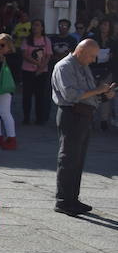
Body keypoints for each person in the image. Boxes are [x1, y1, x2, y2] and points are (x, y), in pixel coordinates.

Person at [51, 39, 114, 216]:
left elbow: (89, 93)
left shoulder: (82, 65)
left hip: (84, 114)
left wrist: (105, 94)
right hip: (71, 114)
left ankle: (73, 199)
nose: (93, 60)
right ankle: (63, 200)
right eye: (92, 56)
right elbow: (71, 95)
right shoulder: (65, 67)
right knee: (68, 157)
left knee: (78, 159)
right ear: (81, 52)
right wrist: (97, 91)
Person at [19, 20, 53, 125]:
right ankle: (26, 118)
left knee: (40, 95)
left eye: (37, 25)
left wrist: (42, 67)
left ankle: (40, 118)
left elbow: (48, 55)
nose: (35, 27)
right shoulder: (27, 40)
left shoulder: (46, 40)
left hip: (42, 72)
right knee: (27, 95)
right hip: (28, 71)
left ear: (42, 27)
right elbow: (24, 54)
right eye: (34, 25)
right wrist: (37, 64)